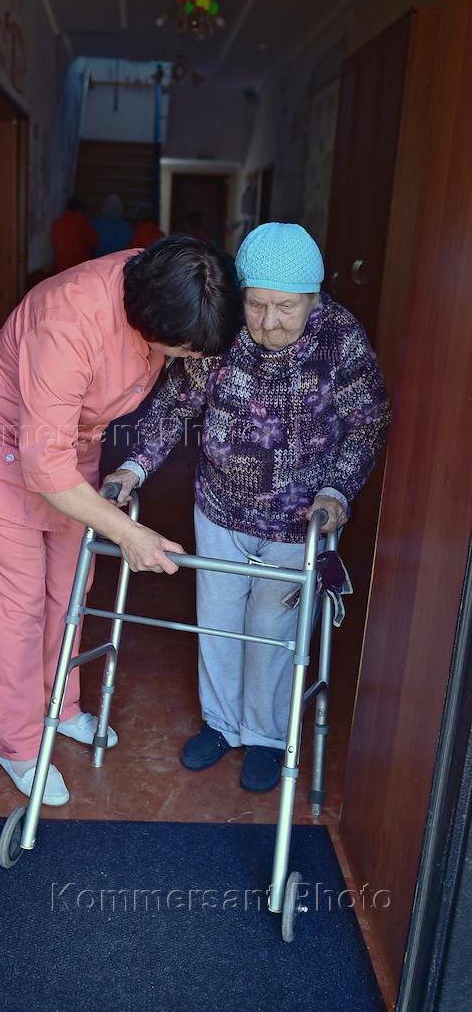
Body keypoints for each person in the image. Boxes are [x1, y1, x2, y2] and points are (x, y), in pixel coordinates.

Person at [0, 238, 240, 806]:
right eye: (184, 349)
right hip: (1, 449)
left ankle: (61, 705)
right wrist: (128, 533)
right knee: (19, 606)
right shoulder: (70, 320)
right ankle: (19, 743)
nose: (191, 360)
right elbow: (44, 467)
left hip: (69, 447)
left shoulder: (171, 282)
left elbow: (62, 459)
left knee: (70, 588)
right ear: (151, 321)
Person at [105, 222, 390, 793]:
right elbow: (176, 404)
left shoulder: (340, 339)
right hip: (219, 507)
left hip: (296, 520)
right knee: (217, 618)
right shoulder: (224, 329)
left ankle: (266, 735)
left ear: (313, 297)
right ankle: (221, 724)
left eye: (286, 307)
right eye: (257, 305)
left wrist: (337, 492)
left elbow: (367, 422)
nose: (269, 322)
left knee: (272, 629)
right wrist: (133, 467)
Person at [51, 195, 97, 274]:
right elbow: (94, 241)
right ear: (80, 209)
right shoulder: (83, 222)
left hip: (61, 268)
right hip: (79, 268)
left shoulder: (57, 222)